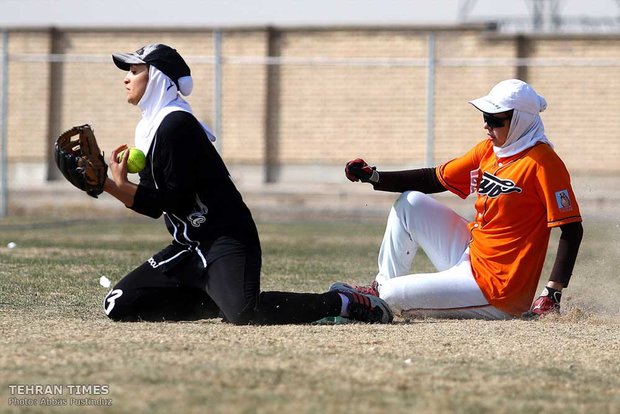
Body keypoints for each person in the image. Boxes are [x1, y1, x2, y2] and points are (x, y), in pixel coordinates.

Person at [102, 43, 392, 324]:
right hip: (189, 245)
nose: (126, 78)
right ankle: (219, 298)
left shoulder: (176, 125)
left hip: (225, 238)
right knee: (118, 305)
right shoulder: (150, 128)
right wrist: (116, 183)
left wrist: (107, 185)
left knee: (245, 313)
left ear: (157, 78)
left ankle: (343, 302)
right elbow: (154, 202)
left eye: (135, 70)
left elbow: (171, 201)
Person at [337, 79, 583, 320]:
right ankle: (380, 285)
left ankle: (380, 301)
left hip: (499, 290)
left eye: (495, 120)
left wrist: (552, 291)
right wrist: (374, 177)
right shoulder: (489, 150)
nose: (487, 125)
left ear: (521, 121)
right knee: (409, 203)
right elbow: (433, 178)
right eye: (485, 117)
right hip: (471, 256)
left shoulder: (543, 163)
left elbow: (571, 229)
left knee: (392, 294)